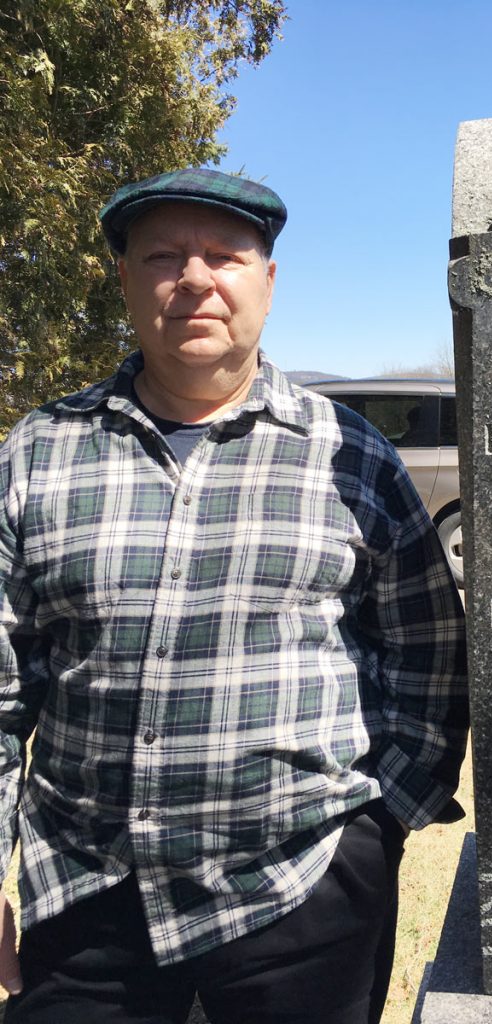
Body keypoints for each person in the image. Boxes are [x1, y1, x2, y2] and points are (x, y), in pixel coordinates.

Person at [0, 168, 468, 1024]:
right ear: (126, 279)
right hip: (85, 903)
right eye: (164, 256)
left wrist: (376, 835)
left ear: (270, 281)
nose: (195, 278)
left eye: (224, 254)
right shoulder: (38, 454)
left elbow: (429, 659)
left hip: (302, 904)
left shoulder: (352, 457)